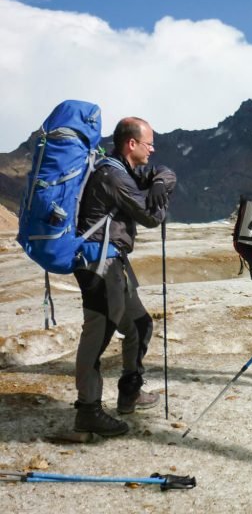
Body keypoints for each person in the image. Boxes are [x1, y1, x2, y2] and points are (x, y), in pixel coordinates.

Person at [71, 117, 176, 436]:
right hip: (98, 265)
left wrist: (159, 183)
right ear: (131, 144)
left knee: (140, 324)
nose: (153, 149)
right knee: (98, 334)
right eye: (148, 144)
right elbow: (149, 216)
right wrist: (159, 202)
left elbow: (166, 172)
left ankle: (129, 391)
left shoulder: (124, 169)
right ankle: (88, 411)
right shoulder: (114, 177)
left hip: (114, 262)